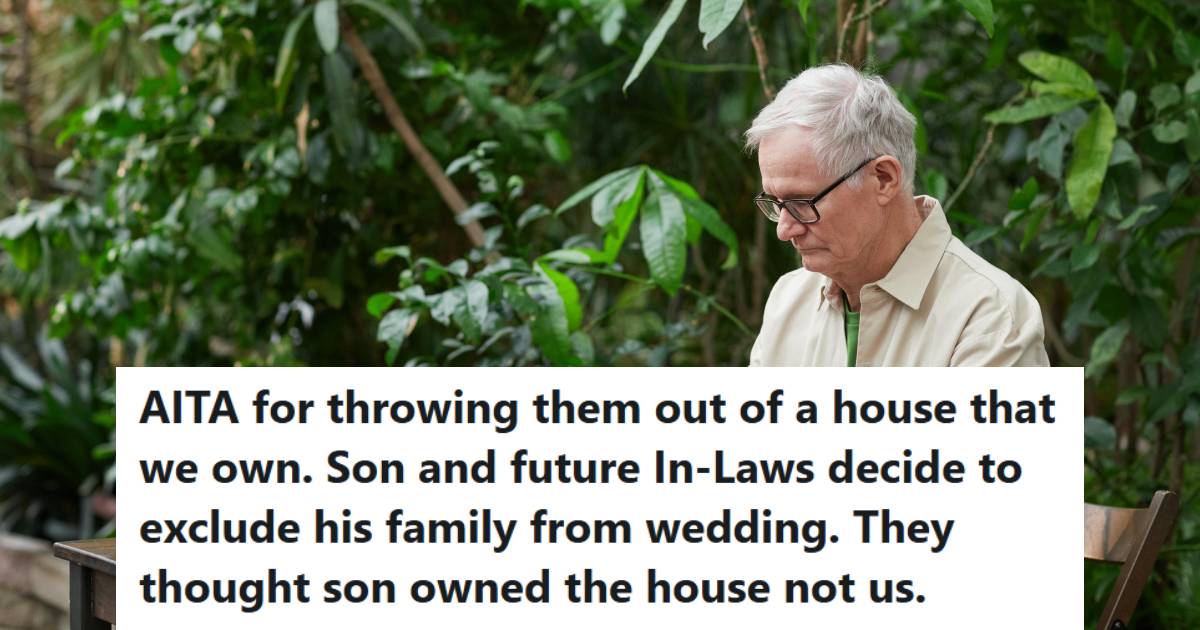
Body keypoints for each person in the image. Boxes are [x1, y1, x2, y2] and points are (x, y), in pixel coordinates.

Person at [745, 64, 1049, 367]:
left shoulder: (988, 315)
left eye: (801, 202)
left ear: (883, 179)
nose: (784, 231)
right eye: (776, 203)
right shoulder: (790, 299)